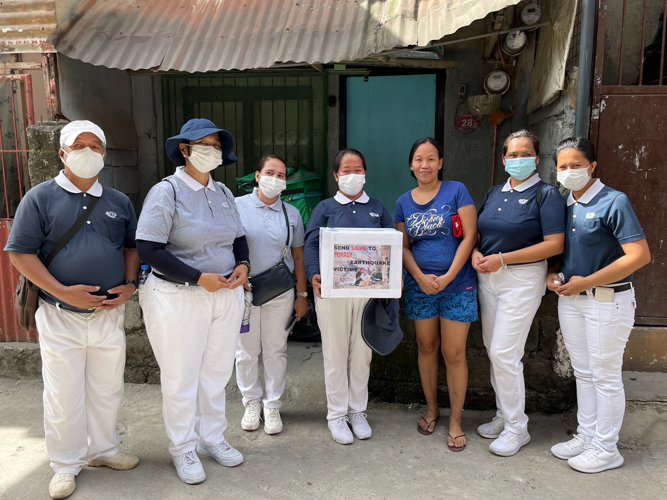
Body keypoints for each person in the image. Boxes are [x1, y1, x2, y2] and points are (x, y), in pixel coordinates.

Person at [4, 120, 140, 500]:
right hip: (59, 313)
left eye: (95, 146)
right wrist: (63, 291)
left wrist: (130, 285)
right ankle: (65, 465)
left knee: (107, 388)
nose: (87, 152)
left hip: (108, 315)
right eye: (78, 145)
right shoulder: (40, 197)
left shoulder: (119, 201)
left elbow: (131, 247)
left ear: (104, 155)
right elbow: (20, 253)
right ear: (62, 154)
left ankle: (103, 450)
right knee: (64, 393)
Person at [136, 119, 249, 485]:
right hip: (178, 296)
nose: (210, 150)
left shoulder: (224, 193)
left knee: (217, 372)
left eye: (216, 145)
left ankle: (211, 438)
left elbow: (238, 239)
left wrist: (244, 265)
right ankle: (182, 446)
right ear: (184, 149)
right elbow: (149, 249)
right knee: (181, 376)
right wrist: (198, 277)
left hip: (225, 295)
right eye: (201, 144)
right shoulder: (166, 191)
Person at [547, 137, 650, 473]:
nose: (568, 171)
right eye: (562, 166)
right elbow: (565, 252)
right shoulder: (565, 203)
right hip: (571, 299)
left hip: (607, 301)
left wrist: (587, 282)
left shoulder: (614, 202)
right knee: (585, 373)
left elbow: (639, 256)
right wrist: (555, 275)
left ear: (592, 166)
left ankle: (607, 448)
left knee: (605, 375)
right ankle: (587, 434)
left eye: (575, 165)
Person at [471, 130, 566, 457]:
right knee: (492, 348)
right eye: (512, 154)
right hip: (489, 278)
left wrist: (503, 260)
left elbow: (554, 244)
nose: (518, 159)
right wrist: (475, 253)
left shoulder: (547, 194)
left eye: (525, 154)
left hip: (522, 280)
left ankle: (517, 428)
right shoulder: (494, 192)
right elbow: (479, 233)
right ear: (503, 159)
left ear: (538, 158)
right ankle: (503, 415)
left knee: (503, 352)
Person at [304, 149, 393, 445]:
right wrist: (314, 273)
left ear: (365, 173)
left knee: (362, 353)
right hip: (332, 293)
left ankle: (357, 411)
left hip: (367, 294)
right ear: (336, 175)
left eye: (358, 169)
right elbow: (312, 244)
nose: (352, 174)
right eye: (346, 170)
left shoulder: (378, 208)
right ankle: (337, 415)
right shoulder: (325, 208)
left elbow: (390, 248)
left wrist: (391, 284)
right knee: (335, 352)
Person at [395, 137, 478, 452]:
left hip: (457, 284)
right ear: (411, 165)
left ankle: (456, 420)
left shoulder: (457, 191)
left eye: (431, 159)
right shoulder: (404, 202)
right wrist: (419, 276)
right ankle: (432, 408)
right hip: (421, 286)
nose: (425, 165)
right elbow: (402, 247)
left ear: (441, 162)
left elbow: (470, 236)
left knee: (454, 353)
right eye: (418, 159)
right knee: (426, 346)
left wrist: (448, 277)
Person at [234, 154, 308, 435]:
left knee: (276, 349)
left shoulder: (292, 214)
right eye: (270, 172)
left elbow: (299, 257)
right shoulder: (237, 206)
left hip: (280, 292)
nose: (275, 179)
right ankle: (251, 402)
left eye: (281, 175)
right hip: (244, 292)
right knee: (246, 351)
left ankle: (273, 404)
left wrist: (302, 294)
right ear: (257, 175)